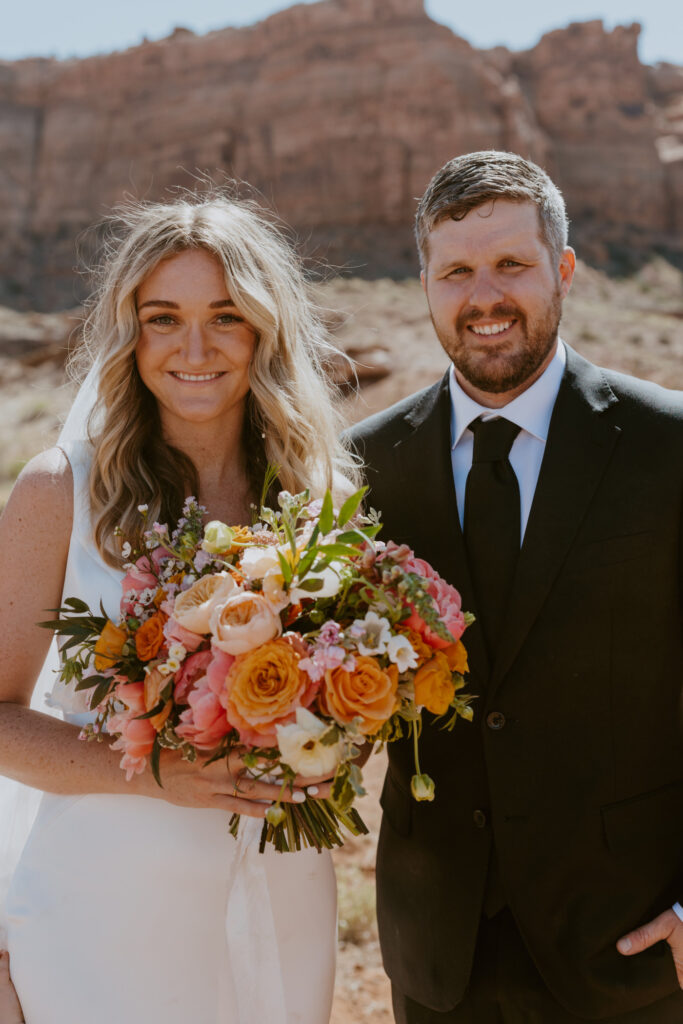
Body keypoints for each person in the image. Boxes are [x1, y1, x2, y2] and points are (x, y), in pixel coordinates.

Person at [0, 192, 359, 1024]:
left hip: (279, 891)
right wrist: (166, 775)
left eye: (225, 316)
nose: (193, 348)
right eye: (163, 318)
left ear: (264, 331)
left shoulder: (319, 497)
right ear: (130, 334)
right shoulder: (62, 489)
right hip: (106, 904)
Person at [347, 150, 683, 1022]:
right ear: (422, 281)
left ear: (562, 270)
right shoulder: (364, 466)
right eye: (455, 270)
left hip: (629, 948)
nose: (482, 296)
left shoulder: (668, 446)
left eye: (511, 265)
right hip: (437, 958)